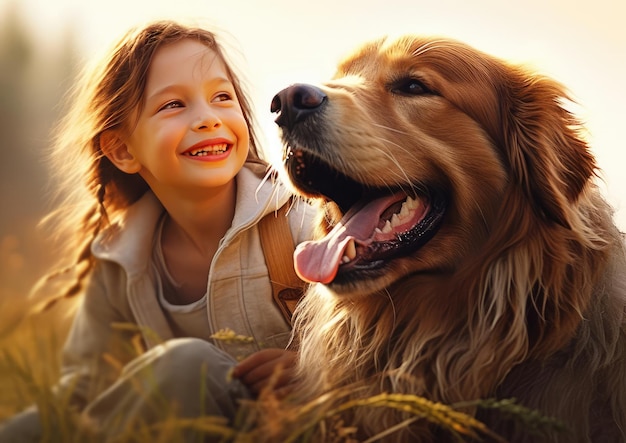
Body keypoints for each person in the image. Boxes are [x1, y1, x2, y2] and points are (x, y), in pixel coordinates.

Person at [0, 19, 316, 442]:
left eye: (222, 97)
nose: (208, 119)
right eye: (173, 105)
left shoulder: (302, 224)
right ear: (123, 150)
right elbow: (83, 396)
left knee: (190, 366)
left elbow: (389, 348)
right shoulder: (121, 262)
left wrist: (316, 370)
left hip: (304, 427)